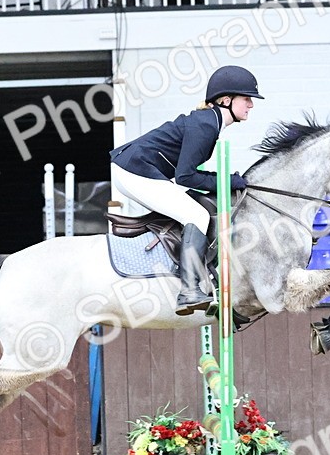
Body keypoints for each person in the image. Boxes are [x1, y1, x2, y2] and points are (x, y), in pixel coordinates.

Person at [110, 64, 263, 315]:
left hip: (133, 169)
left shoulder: (209, 122)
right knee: (197, 215)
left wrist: (226, 180)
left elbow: (188, 175)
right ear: (226, 100)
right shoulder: (206, 125)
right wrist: (228, 181)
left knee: (195, 207)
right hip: (133, 171)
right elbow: (186, 176)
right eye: (246, 98)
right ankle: (189, 291)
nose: (251, 105)